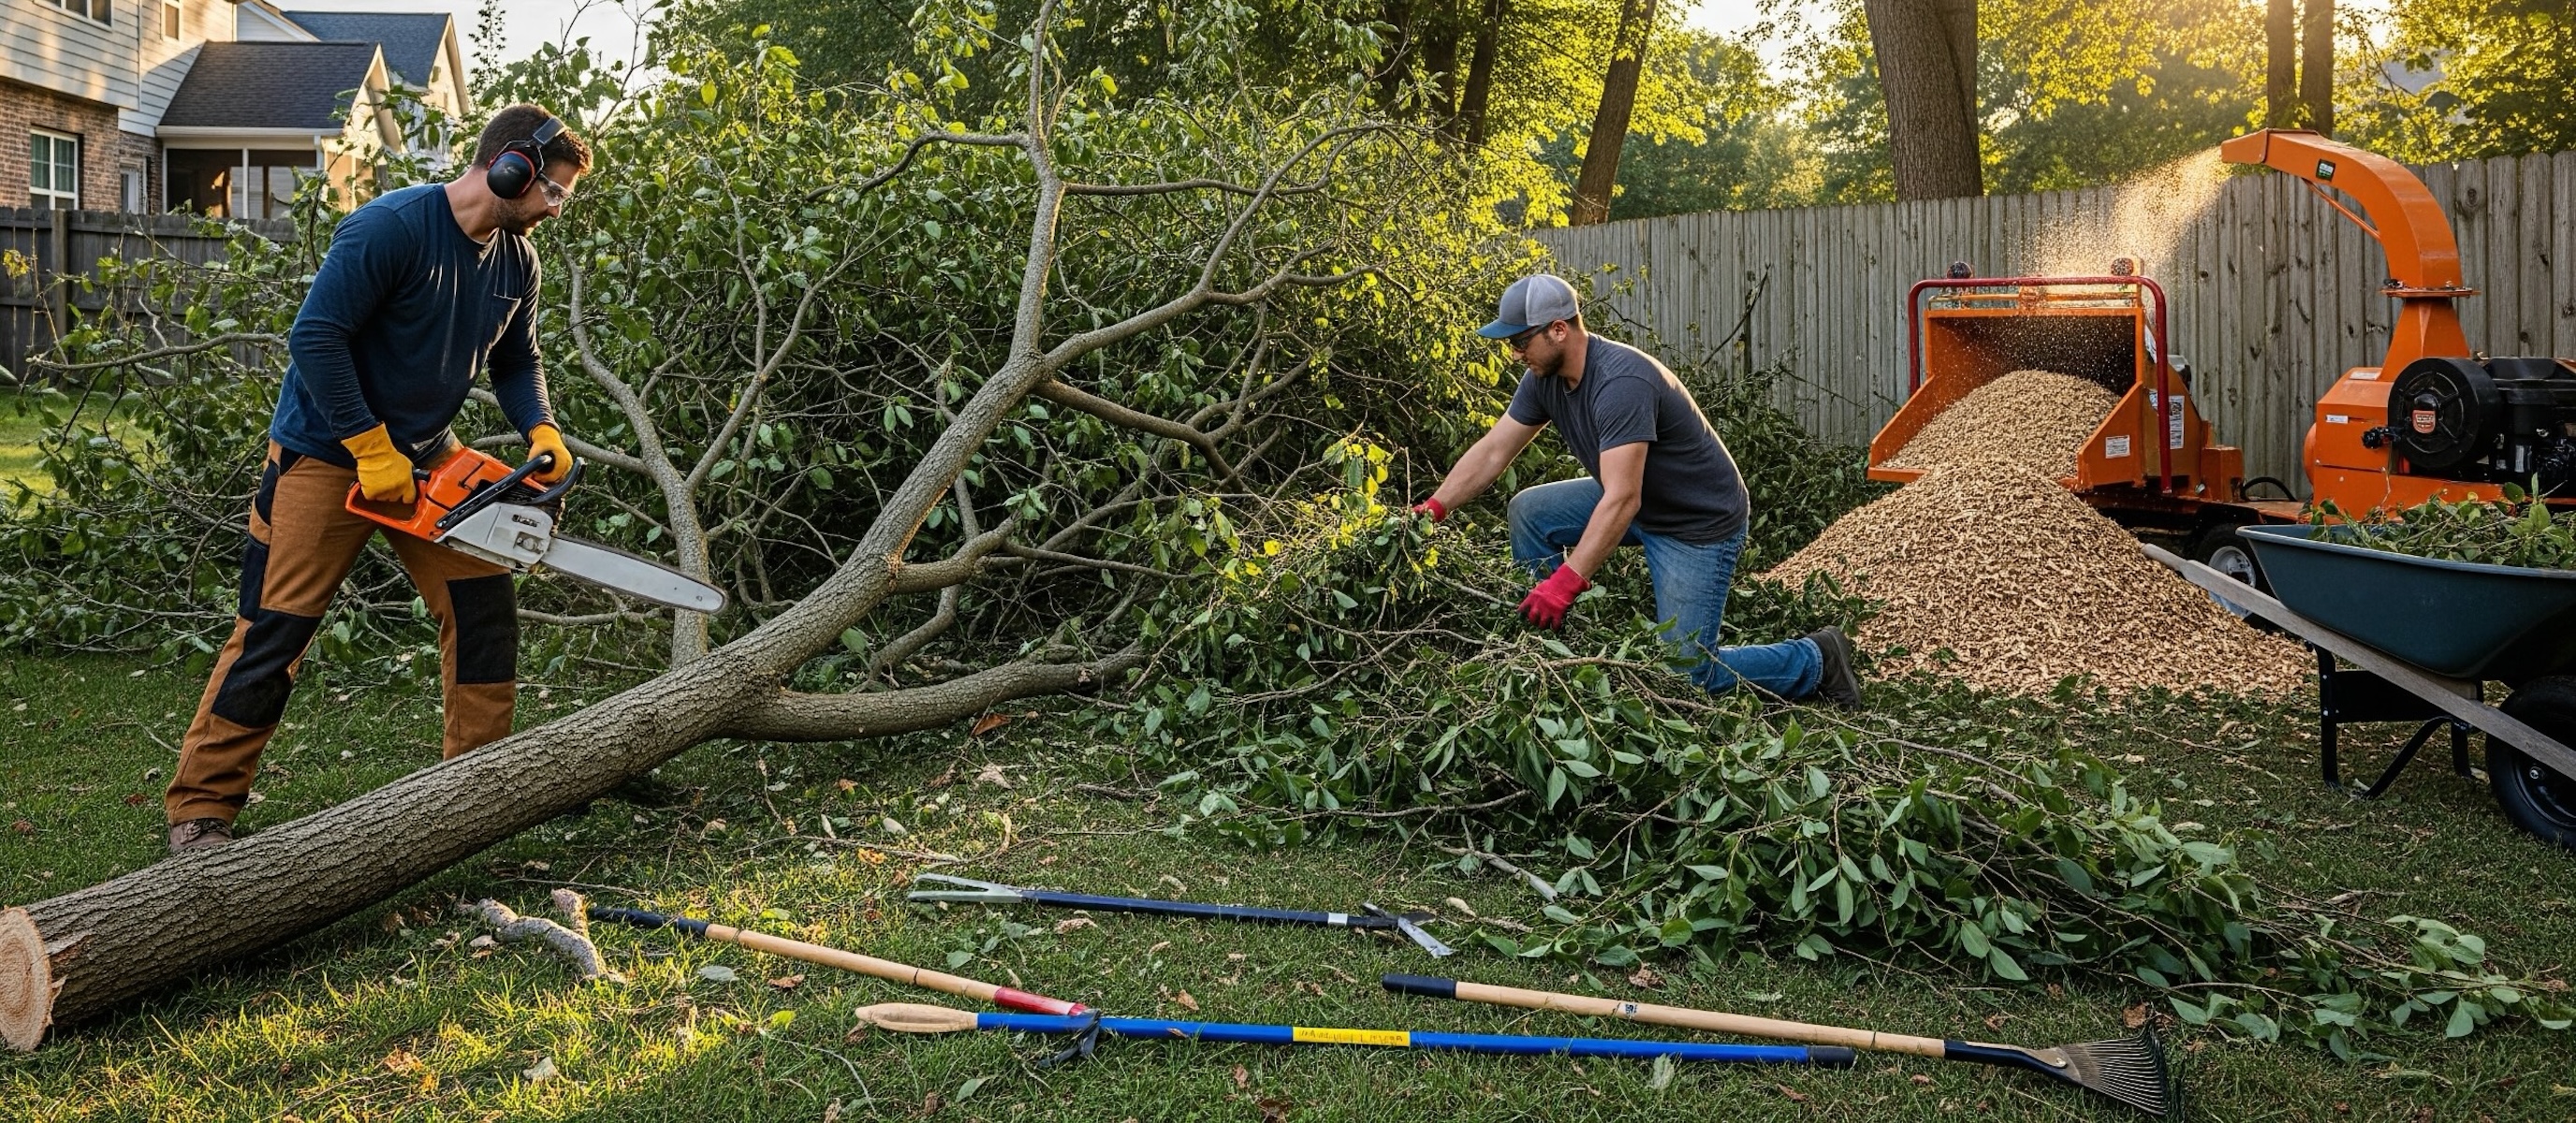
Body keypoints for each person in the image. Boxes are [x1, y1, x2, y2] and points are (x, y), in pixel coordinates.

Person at [163, 105, 593, 853]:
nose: (556, 208)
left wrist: (543, 429)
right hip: (325, 453)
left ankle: (476, 790)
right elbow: (316, 337)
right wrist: (368, 445)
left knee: (483, 603)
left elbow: (517, 362)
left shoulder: (516, 261)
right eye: (552, 191)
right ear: (509, 167)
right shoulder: (389, 228)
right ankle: (201, 812)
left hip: (429, 453)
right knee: (277, 627)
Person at [1412, 273, 1863, 709]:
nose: (1514, 354)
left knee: (1687, 673)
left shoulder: (1620, 383)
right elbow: (1494, 450)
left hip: (1695, 524)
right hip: (1635, 500)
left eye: (1519, 341)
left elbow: (1623, 499)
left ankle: (1816, 659)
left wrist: (1566, 583)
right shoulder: (1543, 380)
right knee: (1530, 512)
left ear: (1558, 330)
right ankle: (1550, 647)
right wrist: (1433, 508)